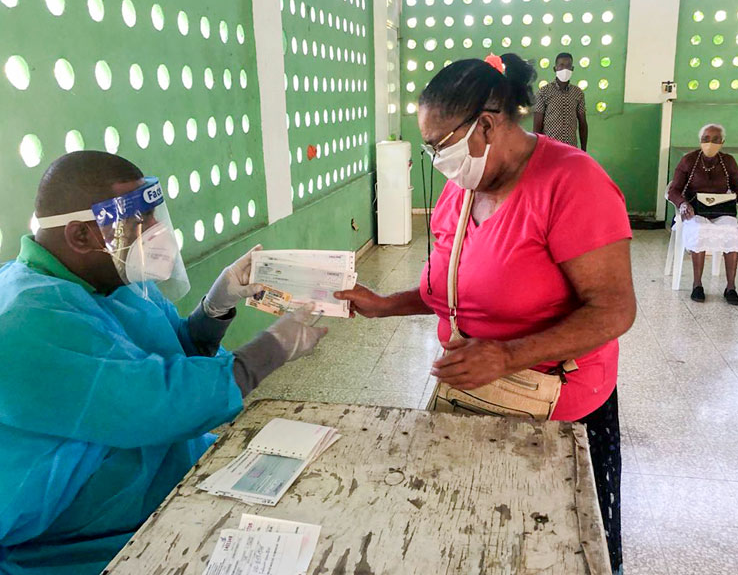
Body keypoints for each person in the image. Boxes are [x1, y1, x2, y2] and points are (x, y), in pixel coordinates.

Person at [336, 53, 635, 575]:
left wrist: (507, 355)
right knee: (475, 539)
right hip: (474, 395)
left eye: (441, 145)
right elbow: (455, 287)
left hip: (557, 408)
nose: (437, 160)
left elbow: (614, 310)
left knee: (548, 552)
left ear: (488, 125)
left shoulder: (571, 183)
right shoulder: (462, 189)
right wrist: (385, 306)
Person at [0, 151, 327, 575]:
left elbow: (171, 353)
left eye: (154, 215)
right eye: (138, 221)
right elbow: (153, 400)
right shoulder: (24, 320)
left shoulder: (108, 278)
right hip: (78, 528)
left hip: (159, 467)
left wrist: (215, 306)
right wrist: (269, 350)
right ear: (81, 236)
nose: (155, 233)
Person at [667, 123, 738, 305]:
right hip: (695, 210)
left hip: (721, 210)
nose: (710, 143)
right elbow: (673, 190)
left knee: (731, 230)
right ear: (700, 141)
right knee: (699, 229)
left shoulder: (728, 162)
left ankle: (730, 287)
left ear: (723, 141)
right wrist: (683, 204)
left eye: (716, 140)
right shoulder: (689, 160)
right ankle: (697, 285)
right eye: (706, 139)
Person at [533, 52, 588, 151]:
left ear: (572, 69)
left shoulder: (578, 93)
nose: (565, 69)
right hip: (550, 148)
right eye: (561, 65)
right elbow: (537, 125)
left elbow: (583, 124)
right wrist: (537, 150)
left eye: (568, 66)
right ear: (555, 68)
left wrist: (584, 150)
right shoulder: (544, 92)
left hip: (571, 149)